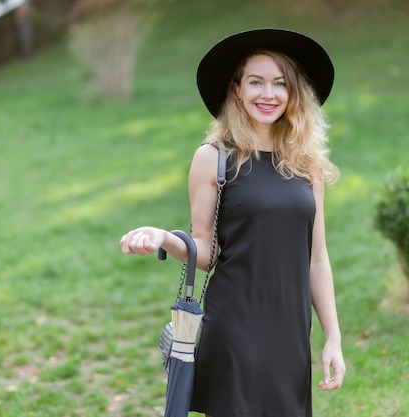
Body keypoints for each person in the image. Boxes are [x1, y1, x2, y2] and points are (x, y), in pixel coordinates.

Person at [121, 28, 345, 417]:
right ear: (237, 89)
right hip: (235, 326)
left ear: (293, 93)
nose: (268, 94)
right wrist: (164, 238)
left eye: (279, 83)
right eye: (255, 82)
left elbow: (317, 259)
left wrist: (333, 339)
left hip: (291, 333)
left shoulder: (307, 165)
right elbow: (204, 250)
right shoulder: (214, 158)